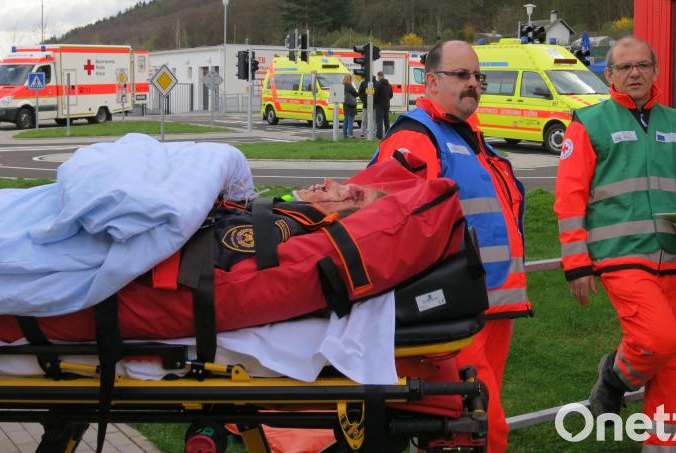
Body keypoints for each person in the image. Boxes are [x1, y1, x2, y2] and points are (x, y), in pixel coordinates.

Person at [553, 36, 676, 452]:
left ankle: (661, 445)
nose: (635, 73)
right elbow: (569, 199)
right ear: (609, 74)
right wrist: (576, 264)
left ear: (655, 71)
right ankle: (614, 378)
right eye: (625, 67)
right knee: (657, 340)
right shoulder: (589, 122)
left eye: (642, 66)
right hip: (621, 256)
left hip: (675, 256)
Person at [374, 40, 531, 453]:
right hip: (451, 312)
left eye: (478, 77)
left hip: (492, 307)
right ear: (431, 81)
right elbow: (396, 226)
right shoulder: (418, 137)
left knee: (466, 428)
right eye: (461, 75)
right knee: (480, 429)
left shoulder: (472, 138)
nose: (473, 84)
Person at [216, 178, 385, 270]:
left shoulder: (282, 227)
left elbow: (211, 250)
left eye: (355, 195)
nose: (328, 181)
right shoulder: (286, 214)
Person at [373, 71, 393, 139]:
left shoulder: (378, 85)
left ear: (379, 76)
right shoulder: (389, 85)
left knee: (379, 121)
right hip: (387, 105)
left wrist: (375, 103)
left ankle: (379, 136)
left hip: (379, 105)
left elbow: (376, 96)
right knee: (387, 121)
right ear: (383, 76)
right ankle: (388, 135)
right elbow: (391, 95)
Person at [342, 75, 359, 139]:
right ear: (350, 79)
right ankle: (350, 134)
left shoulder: (342, 86)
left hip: (345, 105)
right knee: (350, 121)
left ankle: (344, 134)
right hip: (351, 106)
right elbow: (356, 94)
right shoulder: (350, 86)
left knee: (346, 121)